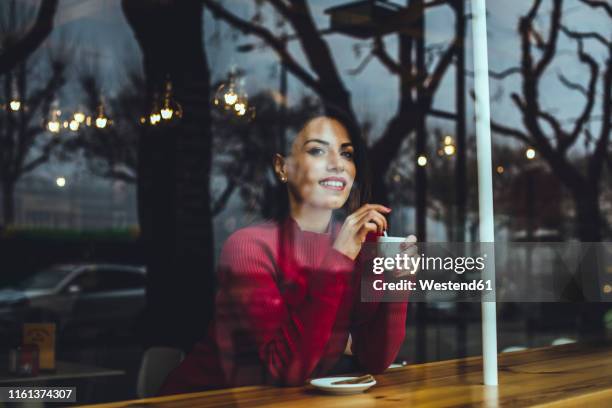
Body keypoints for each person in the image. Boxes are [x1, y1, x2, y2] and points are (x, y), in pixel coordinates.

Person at [160, 111, 416, 394]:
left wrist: (397, 280)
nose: (337, 164)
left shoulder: (355, 246)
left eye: (347, 154)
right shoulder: (248, 246)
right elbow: (284, 367)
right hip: (203, 399)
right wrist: (339, 259)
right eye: (318, 150)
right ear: (283, 167)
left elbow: (374, 359)